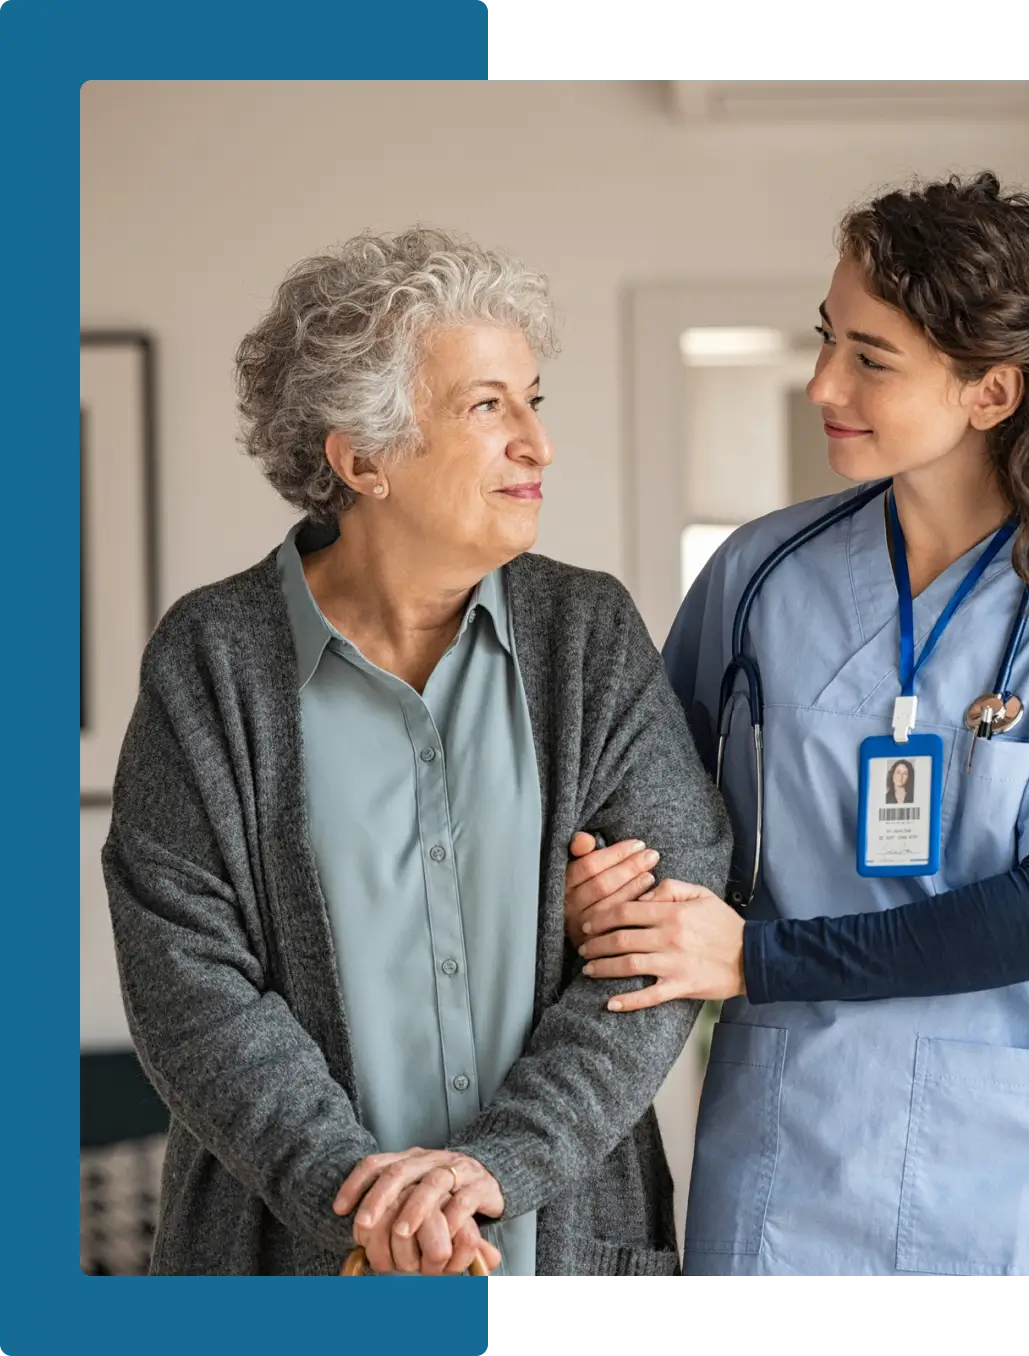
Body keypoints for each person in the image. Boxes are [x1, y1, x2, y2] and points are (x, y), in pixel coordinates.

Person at [565, 172, 1029, 1282]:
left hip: (1027, 1168)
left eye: (871, 358)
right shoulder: (757, 577)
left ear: (990, 391)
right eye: (828, 340)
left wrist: (754, 960)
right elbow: (651, 817)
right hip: (793, 1156)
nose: (822, 381)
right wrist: (608, 884)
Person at [102, 228, 731, 1277]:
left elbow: (664, 939)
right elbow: (188, 985)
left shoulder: (589, 635)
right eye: (488, 407)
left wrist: (496, 1168)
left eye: (535, 400)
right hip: (292, 1261)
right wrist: (363, 1202)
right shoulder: (210, 661)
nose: (537, 443)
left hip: (563, 1262)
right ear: (362, 459)